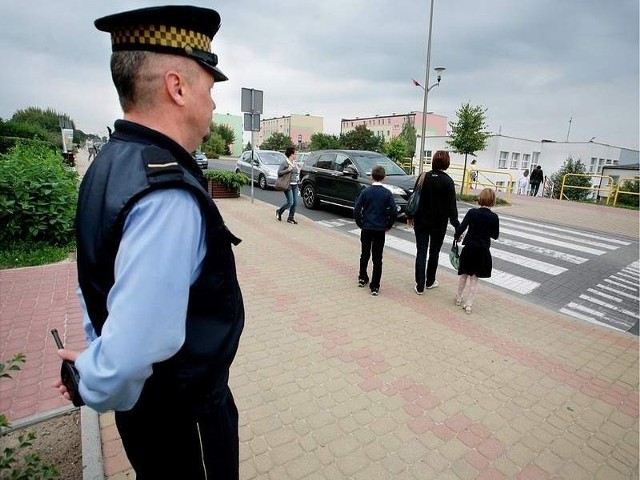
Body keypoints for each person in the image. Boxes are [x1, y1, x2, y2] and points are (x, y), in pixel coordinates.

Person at [53, 6, 245, 479]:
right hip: (185, 418)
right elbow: (133, 352)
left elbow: (94, 282)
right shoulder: (167, 194)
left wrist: (96, 355)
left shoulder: (109, 164)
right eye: (210, 85)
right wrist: (93, 380)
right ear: (177, 87)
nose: (215, 104)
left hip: (147, 413)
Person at [407, 150, 460, 294]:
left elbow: (414, 198)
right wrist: (457, 226)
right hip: (439, 224)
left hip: (421, 221)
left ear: (434, 161)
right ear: (447, 163)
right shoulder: (448, 181)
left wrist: (410, 216)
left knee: (421, 251)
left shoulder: (423, 177)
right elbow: (452, 207)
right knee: (434, 252)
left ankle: (420, 286)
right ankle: (430, 281)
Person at [453, 188, 500, 314]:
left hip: (469, 248)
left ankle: (458, 298)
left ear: (480, 198)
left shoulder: (472, 212)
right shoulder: (494, 217)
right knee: (474, 278)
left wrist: (457, 236)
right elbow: (495, 235)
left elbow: (461, 227)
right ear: (493, 201)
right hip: (482, 251)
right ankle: (469, 305)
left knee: (464, 275)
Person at [354, 165, 398, 296]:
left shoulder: (365, 192)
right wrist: (388, 225)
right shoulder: (387, 193)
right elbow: (394, 211)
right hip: (380, 229)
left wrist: (360, 223)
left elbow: (356, 209)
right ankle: (375, 286)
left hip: (367, 227)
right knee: (377, 257)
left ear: (371, 176)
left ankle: (362, 277)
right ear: (384, 178)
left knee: (364, 254)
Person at [276, 147, 300, 224]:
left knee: (295, 203)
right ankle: (279, 211)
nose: (296, 155)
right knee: (290, 202)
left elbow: (295, 173)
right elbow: (279, 173)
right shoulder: (285, 163)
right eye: (295, 153)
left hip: (295, 185)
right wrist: (287, 170)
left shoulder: (294, 163)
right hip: (288, 185)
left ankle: (290, 218)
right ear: (291, 154)